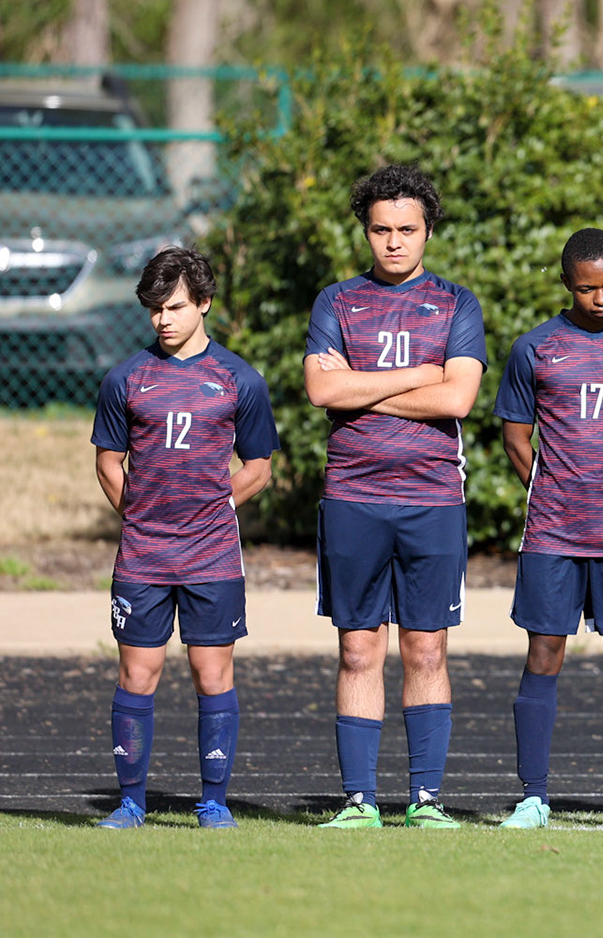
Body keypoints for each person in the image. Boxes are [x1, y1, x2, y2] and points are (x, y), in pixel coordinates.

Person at [303, 164, 486, 829]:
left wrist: (364, 382)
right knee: (357, 650)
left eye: (407, 230)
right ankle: (359, 801)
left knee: (426, 649)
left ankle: (426, 799)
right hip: (352, 497)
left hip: (433, 500)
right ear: (366, 231)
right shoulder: (336, 302)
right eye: (381, 230)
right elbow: (322, 392)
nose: (393, 243)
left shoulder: (457, 304)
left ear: (428, 231)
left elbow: (458, 397)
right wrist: (417, 376)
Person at [492, 229, 603, 831]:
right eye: (588, 288)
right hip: (551, 532)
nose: (601, 298)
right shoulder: (535, 348)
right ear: (568, 284)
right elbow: (515, 433)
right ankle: (534, 798)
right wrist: (546, 487)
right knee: (544, 654)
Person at [91, 246, 278, 830]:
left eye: (173, 307)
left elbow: (258, 467)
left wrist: (213, 507)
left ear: (204, 303)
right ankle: (131, 803)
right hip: (144, 556)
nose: (162, 320)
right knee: (137, 675)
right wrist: (142, 514)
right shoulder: (125, 377)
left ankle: (214, 802)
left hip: (213, 555)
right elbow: (107, 463)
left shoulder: (239, 379)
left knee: (211, 674)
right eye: (153, 310)